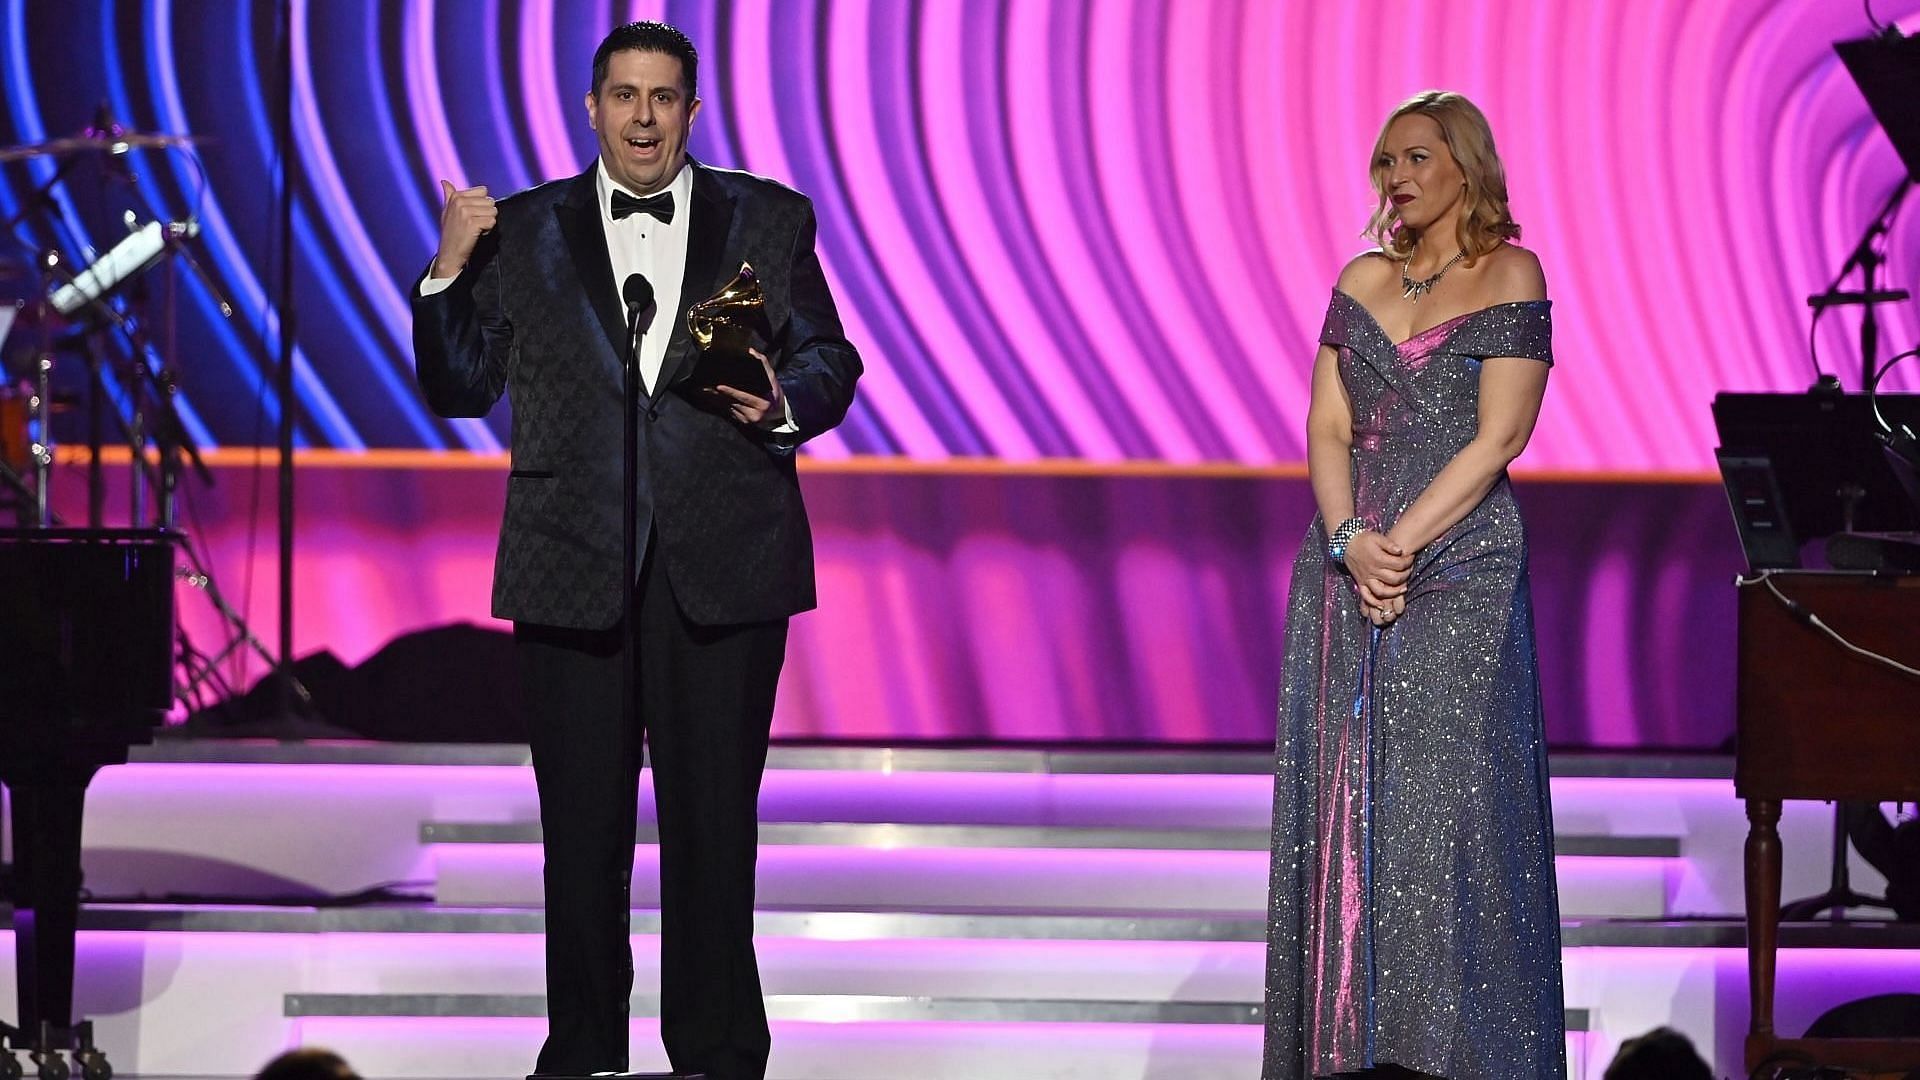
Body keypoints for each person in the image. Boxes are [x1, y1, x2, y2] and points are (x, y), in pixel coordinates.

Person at [412, 20, 861, 1080]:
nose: (644, 117)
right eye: (624, 96)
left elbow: (831, 356)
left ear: (692, 111)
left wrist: (784, 403)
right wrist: (445, 267)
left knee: (714, 834)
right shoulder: (522, 231)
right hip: (571, 562)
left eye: (663, 98)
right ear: (591, 108)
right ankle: (582, 1058)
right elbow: (459, 386)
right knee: (581, 840)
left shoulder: (768, 215)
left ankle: (715, 1056)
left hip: (727, 561)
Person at [1262, 90, 1563, 1079]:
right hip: (1348, 562)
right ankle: (1353, 1051)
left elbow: (1500, 438)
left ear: (1465, 167)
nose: (1396, 176)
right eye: (1385, 160)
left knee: (1447, 812)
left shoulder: (1509, 272)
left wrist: (1399, 543)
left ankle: (1455, 1056)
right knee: (1349, 803)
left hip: (1461, 563)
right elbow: (1327, 427)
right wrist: (1351, 537)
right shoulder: (1362, 280)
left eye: (1418, 157)